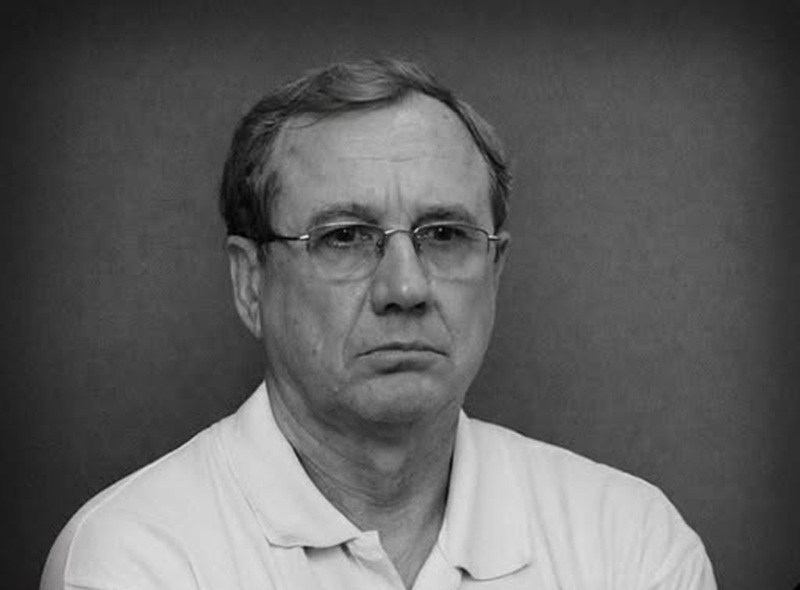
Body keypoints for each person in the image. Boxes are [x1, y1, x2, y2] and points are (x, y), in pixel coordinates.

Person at [41, 58, 717, 590]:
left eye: (445, 234)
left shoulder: (630, 545)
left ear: (495, 270)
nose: (406, 288)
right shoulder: (135, 556)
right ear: (250, 282)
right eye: (344, 237)